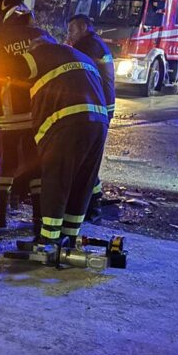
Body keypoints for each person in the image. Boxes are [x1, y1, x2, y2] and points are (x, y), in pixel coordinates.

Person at [8, 28, 109, 246]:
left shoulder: (42, 53)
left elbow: (12, 68)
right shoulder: (81, 56)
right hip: (99, 123)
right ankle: (69, 238)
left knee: (56, 180)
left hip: (66, 122)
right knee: (82, 181)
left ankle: (48, 241)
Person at [0, 0, 48, 223]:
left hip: (6, 116)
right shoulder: (42, 36)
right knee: (36, 167)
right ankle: (39, 219)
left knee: (5, 165)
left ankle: (0, 216)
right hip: (38, 115)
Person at [67, 13, 116, 218]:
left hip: (96, 108)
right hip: (102, 107)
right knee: (89, 159)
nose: (69, 35)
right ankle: (93, 202)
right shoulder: (95, 43)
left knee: (85, 160)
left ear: (83, 27)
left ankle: (91, 204)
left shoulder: (87, 47)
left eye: (72, 30)